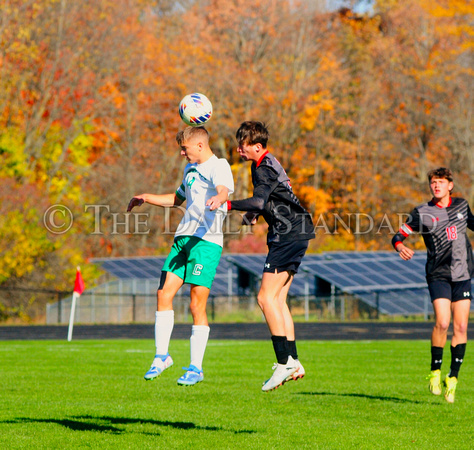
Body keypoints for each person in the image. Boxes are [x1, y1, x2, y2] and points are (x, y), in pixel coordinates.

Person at [127, 126, 234, 386]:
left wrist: (219, 199)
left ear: (199, 145)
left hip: (206, 243)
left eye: (184, 149)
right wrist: (147, 197)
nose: (182, 154)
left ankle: (196, 367)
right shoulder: (189, 170)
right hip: (183, 239)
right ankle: (162, 356)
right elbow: (177, 199)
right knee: (163, 294)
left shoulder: (218, 165)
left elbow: (223, 190)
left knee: (196, 304)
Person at [227, 121, 315, 392]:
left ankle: (283, 362)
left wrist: (227, 204)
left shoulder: (263, 166)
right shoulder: (265, 164)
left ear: (257, 146)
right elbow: (268, 201)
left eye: (243, 145)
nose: (239, 149)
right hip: (298, 230)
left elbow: (258, 201)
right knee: (279, 299)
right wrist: (254, 214)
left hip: (287, 235)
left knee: (265, 297)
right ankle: (294, 361)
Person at [392, 167, 474, 403]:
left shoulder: (461, 206)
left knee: (460, 327)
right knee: (442, 322)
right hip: (438, 274)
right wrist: (400, 246)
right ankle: (435, 372)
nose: (436, 186)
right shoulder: (421, 213)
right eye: (433, 182)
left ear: (450, 185)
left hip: (463, 274)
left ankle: (453, 378)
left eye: (441, 182)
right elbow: (397, 236)